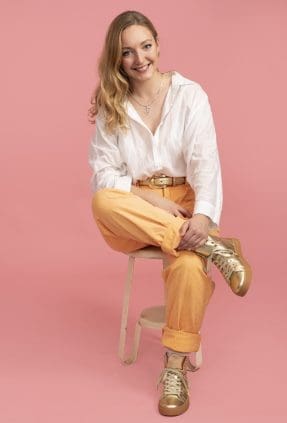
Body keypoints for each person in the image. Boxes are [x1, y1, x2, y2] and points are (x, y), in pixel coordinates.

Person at [88, 10, 252, 417]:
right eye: (127, 52)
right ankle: (214, 247)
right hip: (136, 211)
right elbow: (104, 176)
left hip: (186, 199)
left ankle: (175, 368)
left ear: (158, 44)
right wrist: (156, 202)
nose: (139, 58)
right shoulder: (113, 103)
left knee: (187, 268)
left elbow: (205, 162)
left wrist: (202, 217)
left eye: (145, 46)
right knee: (102, 201)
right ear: (117, 58)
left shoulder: (189, 95)